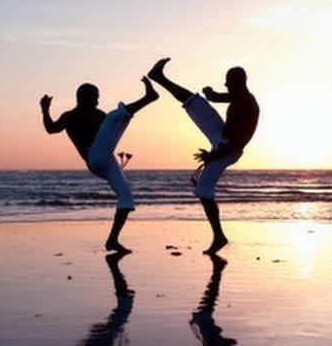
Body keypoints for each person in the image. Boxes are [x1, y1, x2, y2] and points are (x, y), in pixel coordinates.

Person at [148, 58, 259, 253]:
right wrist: (209, 94)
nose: (225, 84)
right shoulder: (237, 96)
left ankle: (219, 237)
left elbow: (238, 142)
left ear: (239, 82)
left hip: (228, 149)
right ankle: (159, 77)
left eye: (228, 81)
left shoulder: (248, 104)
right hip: (221, 137)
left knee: (203, 189)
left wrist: (212, 156)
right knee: (195, 102)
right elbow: (217, 97)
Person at [40, 77, 159, 253]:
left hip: (104, 160)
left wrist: (45, 110)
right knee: (113, 117)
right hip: (94, 157)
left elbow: (110, 133)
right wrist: (45, 110)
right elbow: (51, 129)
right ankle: (148, 98)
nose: (97, 100)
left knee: (126, 197)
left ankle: (112, 241)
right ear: (84, 98)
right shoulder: (72, 116)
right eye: (95, 97)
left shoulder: (92, 115)